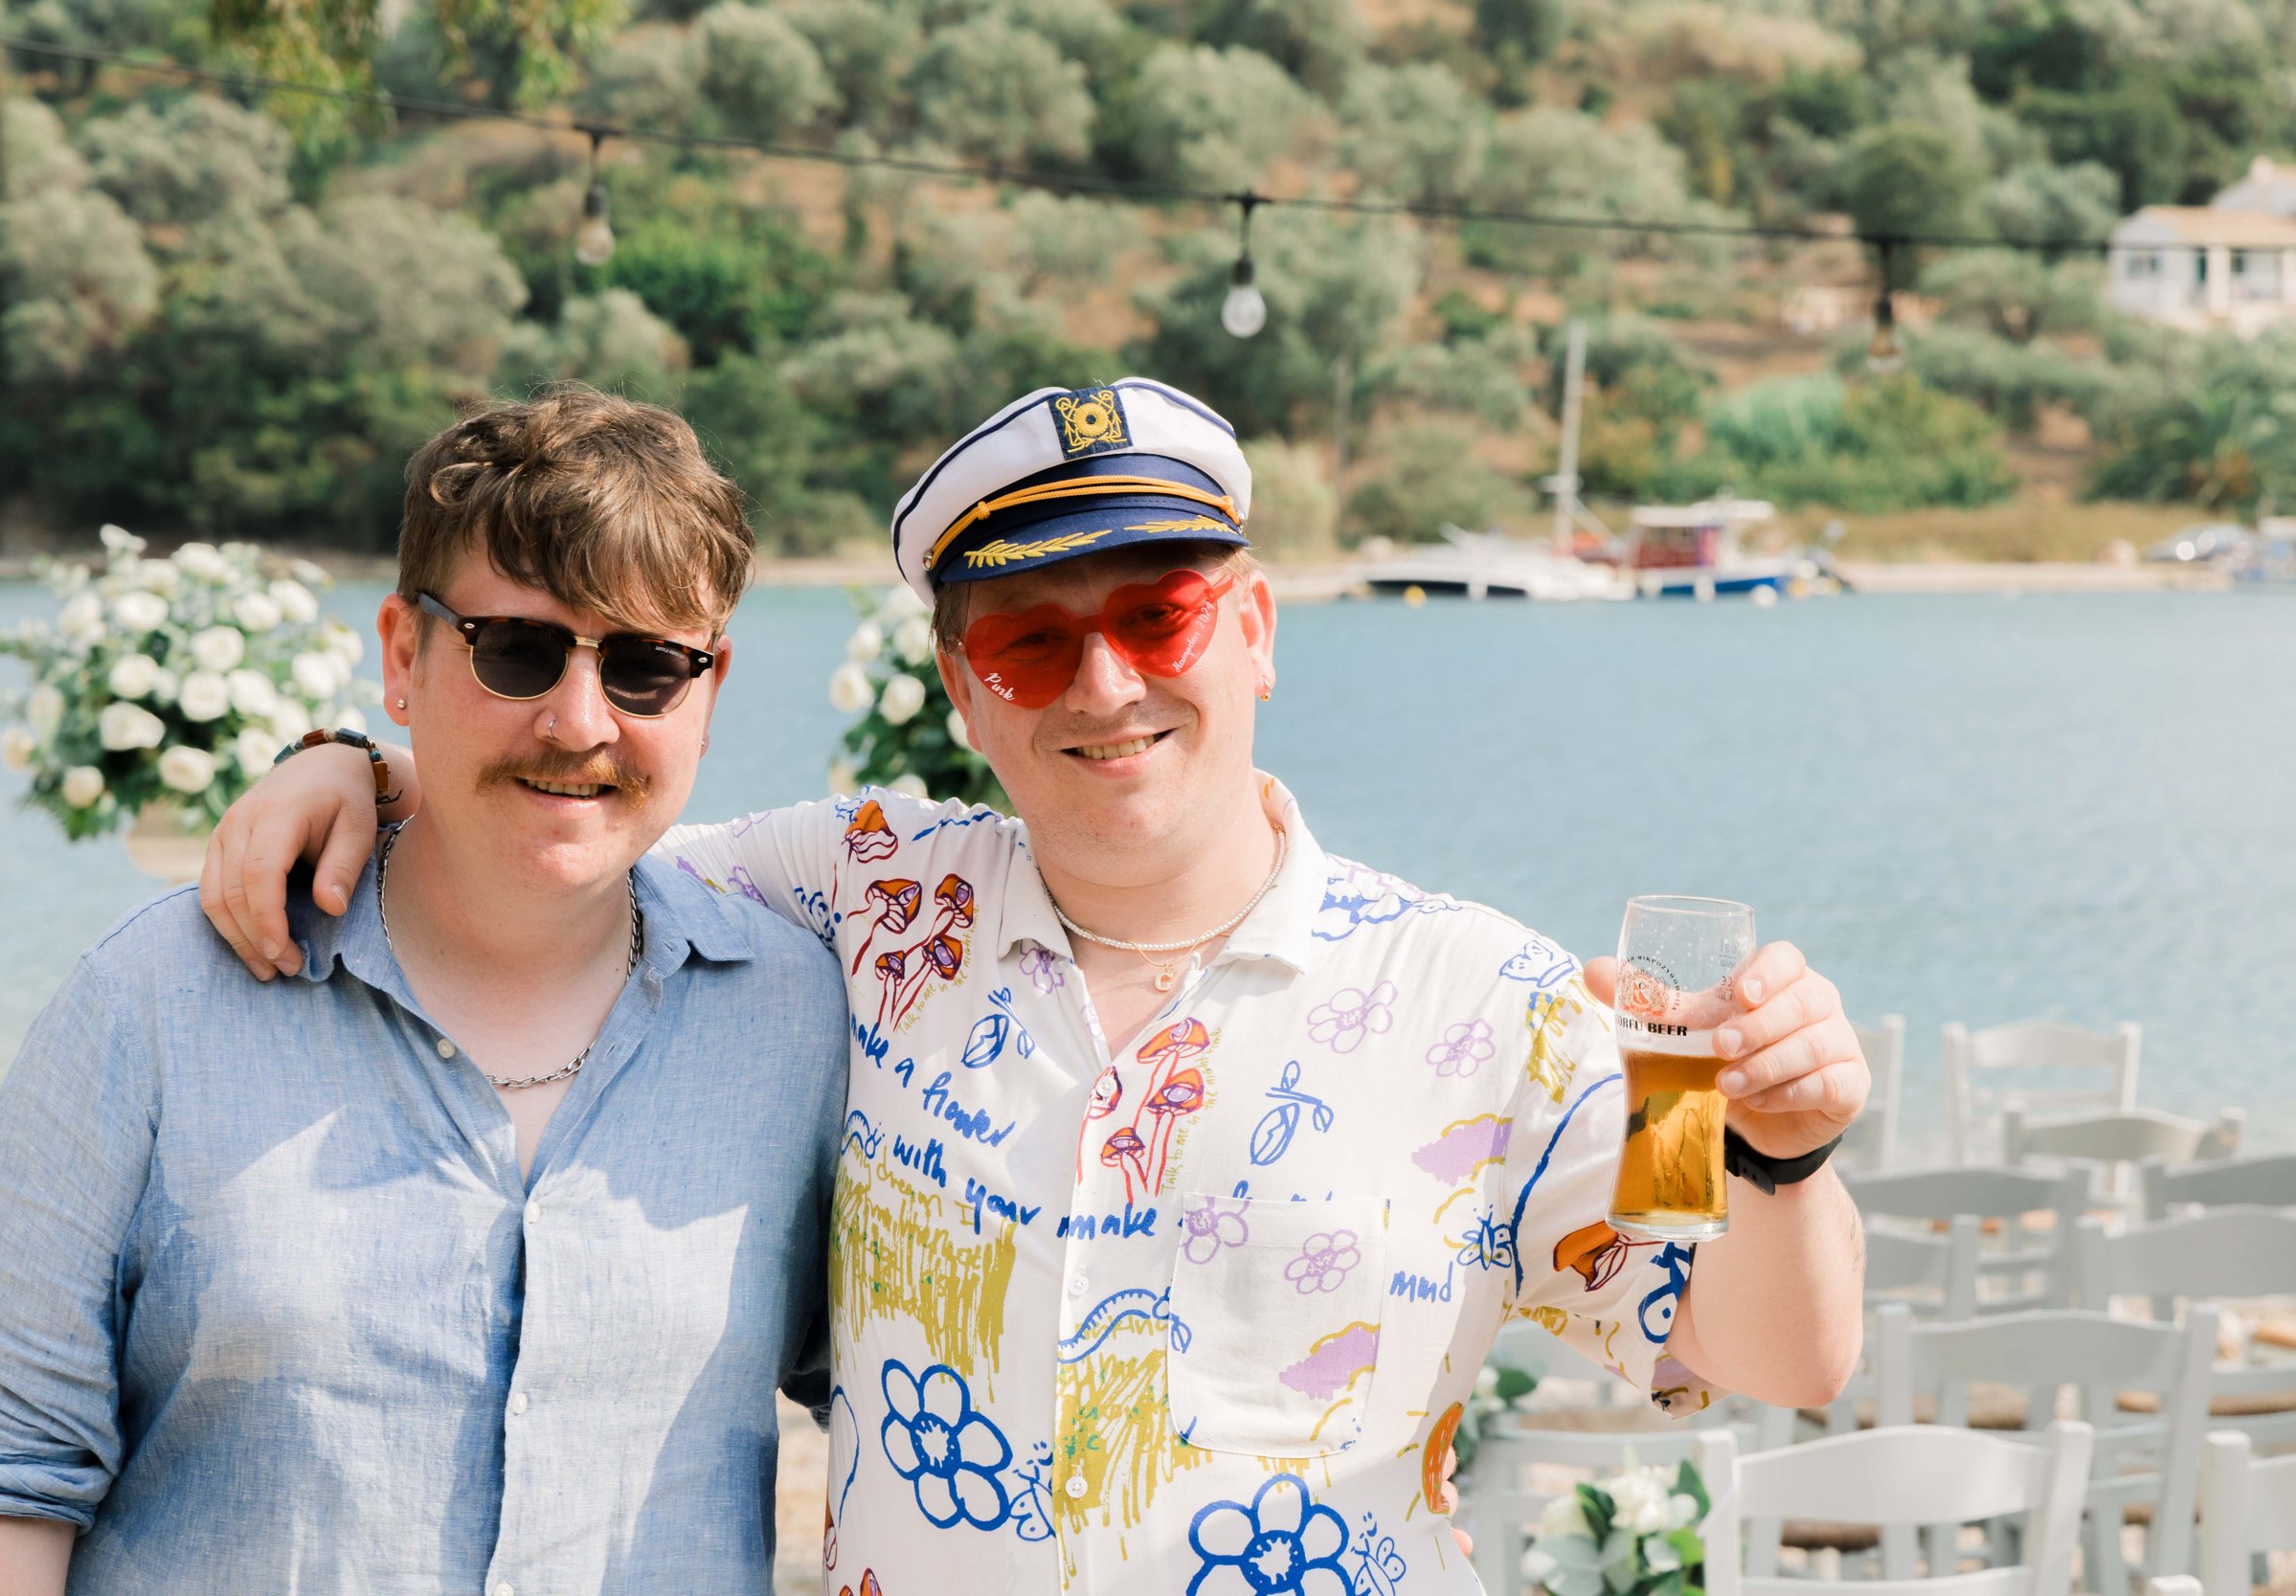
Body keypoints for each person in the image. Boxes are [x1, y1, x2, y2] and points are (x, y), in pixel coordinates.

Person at [203, 377, 1871, 1595]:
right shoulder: (862, 893)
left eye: (1161, 616)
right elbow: (574, 817)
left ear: (1258, 630)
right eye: (1033, 643)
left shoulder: (1488, 993)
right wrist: (358, 761)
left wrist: (1769, 1151)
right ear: (964, 690)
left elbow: (1762, 1344)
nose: (1108, 682)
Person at [0, 387, 850, 1594]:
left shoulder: (801, 1019)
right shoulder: (149, 1004)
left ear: (708, 691)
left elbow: (915, 1395)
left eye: (646, 666)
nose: (577, 719)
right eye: (516, 649)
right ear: (403, 655)